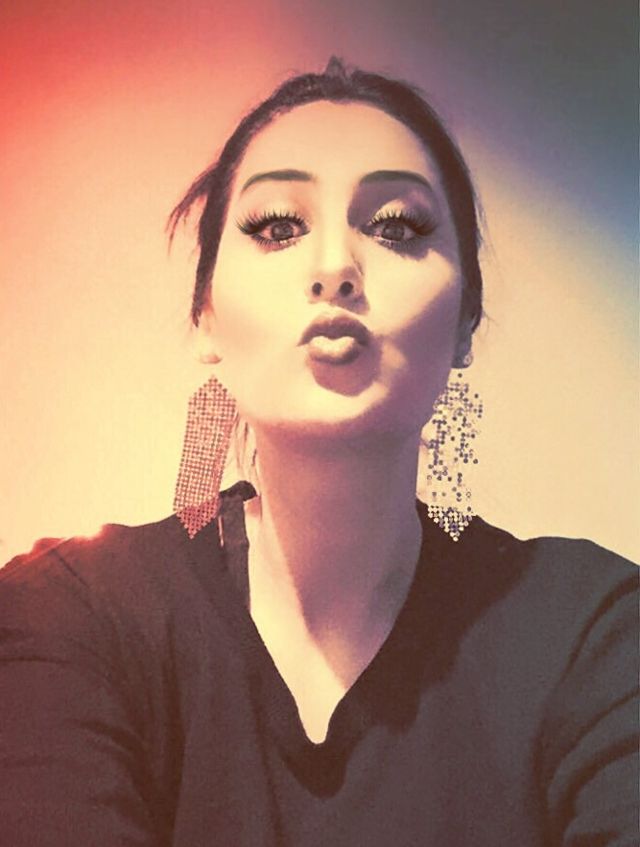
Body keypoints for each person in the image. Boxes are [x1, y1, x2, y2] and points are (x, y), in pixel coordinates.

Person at [0, 58, 637, 846]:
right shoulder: (69, 616)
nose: (335, 267)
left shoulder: (592, 633)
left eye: (396, 226)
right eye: (278, 226)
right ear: (205, 316)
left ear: (465, 322)